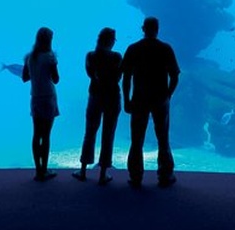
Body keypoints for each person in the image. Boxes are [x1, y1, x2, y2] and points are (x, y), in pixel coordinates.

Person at [121, 16, 180, 188]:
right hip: (160, 99)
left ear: (143, 29)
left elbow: (126, 77)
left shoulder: (133, 48)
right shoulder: (165, 48)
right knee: (163, 138)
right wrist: (168, 95)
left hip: (139, 99)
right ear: (157, 29)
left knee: (136, 139)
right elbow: (175, 76)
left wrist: (126, 99)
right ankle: (165, 174)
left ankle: (135, 175)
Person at [73, 27, 123, 185]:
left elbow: (90, 74)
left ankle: (83, 170)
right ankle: (103, 173)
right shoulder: (117, 57)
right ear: (111, 41)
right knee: (108, 134)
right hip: (112, 97)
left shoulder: (90, 56)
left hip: (95, 96)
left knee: (89, 132)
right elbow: (118, 77)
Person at [22, 26, 60, 182]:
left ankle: (38, 170)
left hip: (36, 98)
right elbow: (56, 79)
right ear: (49, 40)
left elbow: (24, 78)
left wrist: (36, 73)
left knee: (36, 134)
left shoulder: (29, 57)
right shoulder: (50, 57)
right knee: (46, 135)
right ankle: (45, 169)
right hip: (48, 98)